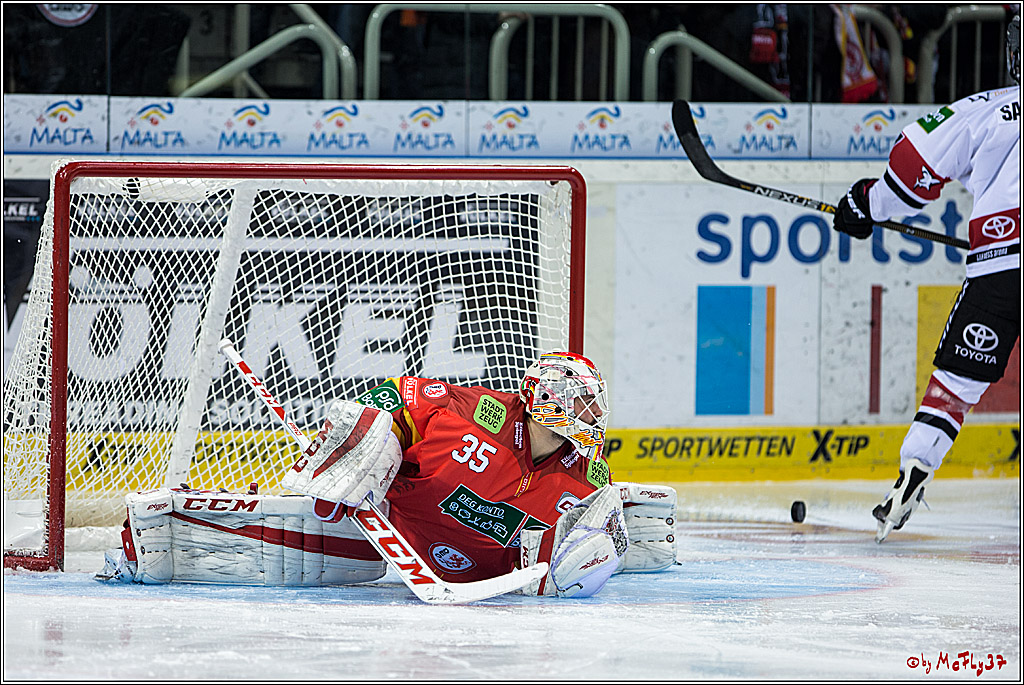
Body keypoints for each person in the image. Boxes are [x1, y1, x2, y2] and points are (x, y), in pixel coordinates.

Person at [101, 352, 677, 598]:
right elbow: (397, 393)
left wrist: (581, 563)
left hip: (466, 577)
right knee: (311, 534)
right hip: (382, 523)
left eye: (591, 402)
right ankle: (154, 536)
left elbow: (561, 566)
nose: (587, 413)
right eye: (576, 399)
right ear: (542, 395)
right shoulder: (482, 412)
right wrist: (377, 434)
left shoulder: (585, 480)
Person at [832, 14, 1020, 543]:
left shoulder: (991, 110)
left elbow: (912, 172)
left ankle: (915, 467)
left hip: (1001, 267)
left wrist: (864, 203)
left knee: (955, 387)